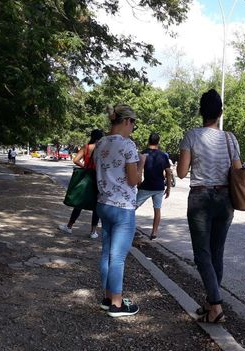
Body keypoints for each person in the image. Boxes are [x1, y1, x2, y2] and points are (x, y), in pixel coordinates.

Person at [177, 89, 242, 324]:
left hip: (201, 198)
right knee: (216, 254)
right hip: (225, 200)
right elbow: (238, 168)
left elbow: (182, 173)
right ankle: (210, 302)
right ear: (220, 112)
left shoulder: (191, 136)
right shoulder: (230, 138)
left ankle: (215, 306)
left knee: (202, 254)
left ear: (201, 112)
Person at [94, 104, 146, 318]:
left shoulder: (100, 143)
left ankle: (108, 298)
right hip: (123, 207)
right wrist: (141, 164)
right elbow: (134, 180)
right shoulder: (128, 146)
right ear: (126, 121)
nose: (133, 127)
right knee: (118, 257)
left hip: (103, 204)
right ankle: (117, 304)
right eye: (133, 122)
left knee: (107, 253)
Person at [58, 129, 104, 238]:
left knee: (80, 203)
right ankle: (93, 232)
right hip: (98, 177)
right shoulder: (103, 149)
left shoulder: (87, 147)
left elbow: (75, 160)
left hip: (87, 177)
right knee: (96, 205)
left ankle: (69, 226)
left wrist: (85, 167)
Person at [134, 132, 172, 240]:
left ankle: (127, 226)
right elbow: (168, 172)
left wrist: (138, 183)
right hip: (159, 187)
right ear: (158, 142)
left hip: (146, 186)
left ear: (148, 141)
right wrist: (168, 188)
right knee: (157, 209)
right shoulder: (163, 155)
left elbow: (139, 170)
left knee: (133, 207)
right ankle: (154, 232)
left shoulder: (143, 153)